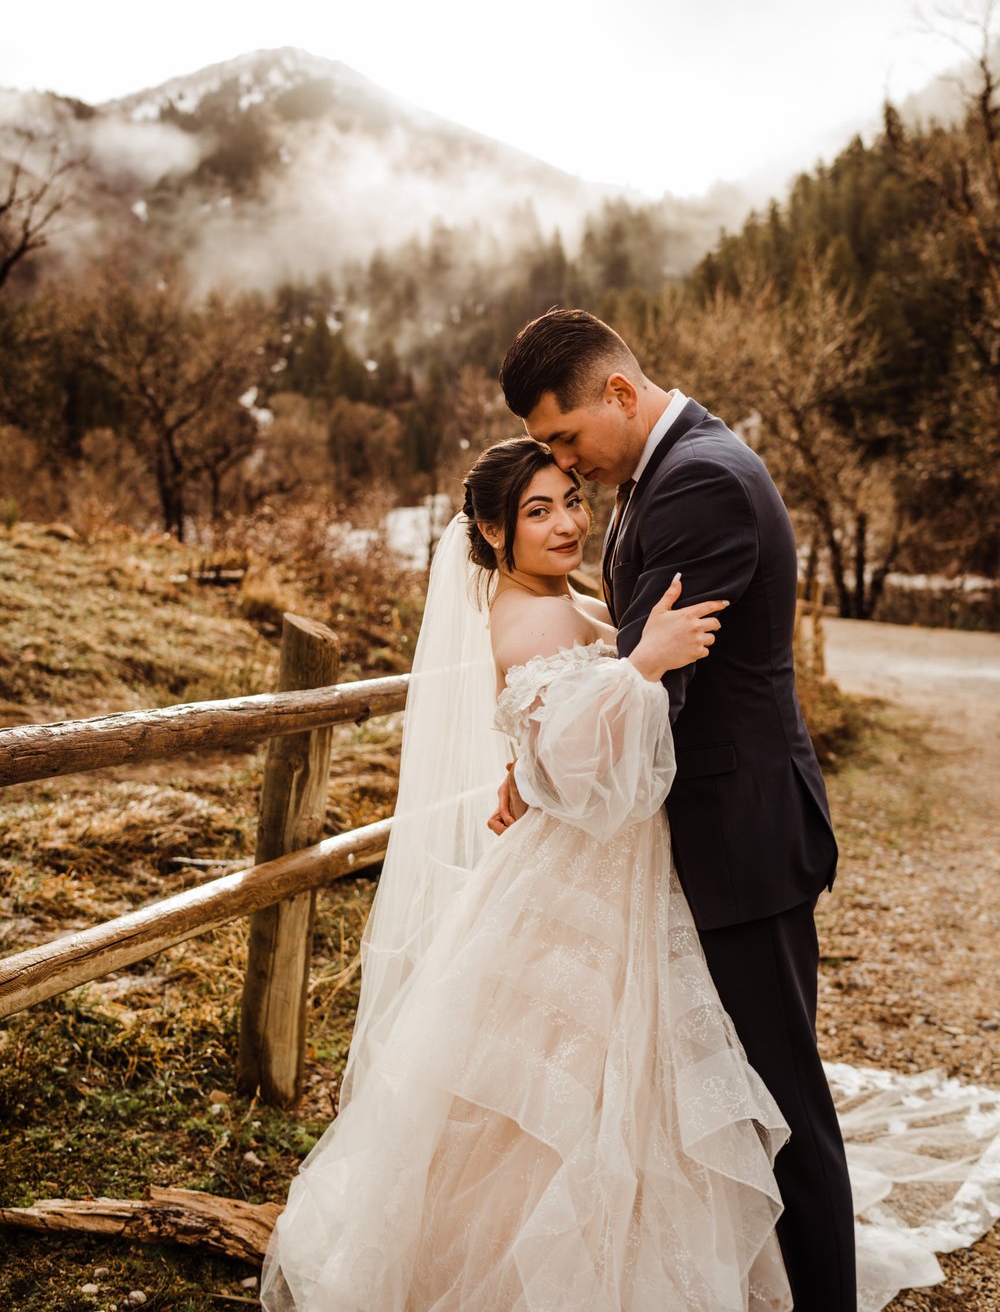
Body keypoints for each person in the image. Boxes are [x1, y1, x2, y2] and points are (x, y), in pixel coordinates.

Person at [262, 431, 1000, 1312]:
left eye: (572, 498)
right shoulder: (526, 611)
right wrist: (643, 663)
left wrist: (529, 758)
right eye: (539, 511)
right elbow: (581, 764)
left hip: (619, 867)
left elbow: (551, 732)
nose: (568, 521)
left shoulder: (554, 595)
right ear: (495, 534)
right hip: (587, 875)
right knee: (575, 1095)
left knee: (640, 1088)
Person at [496, 308, 855, 1309]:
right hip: (708, 830)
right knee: (731, 1099)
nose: (566, 462)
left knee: (780, 1107)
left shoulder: (698, 479)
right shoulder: (672, 468)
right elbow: (631, 658)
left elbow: (652, 681)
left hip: (738, 837)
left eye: (567, 439)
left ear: (618, 392)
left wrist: (543, 759)